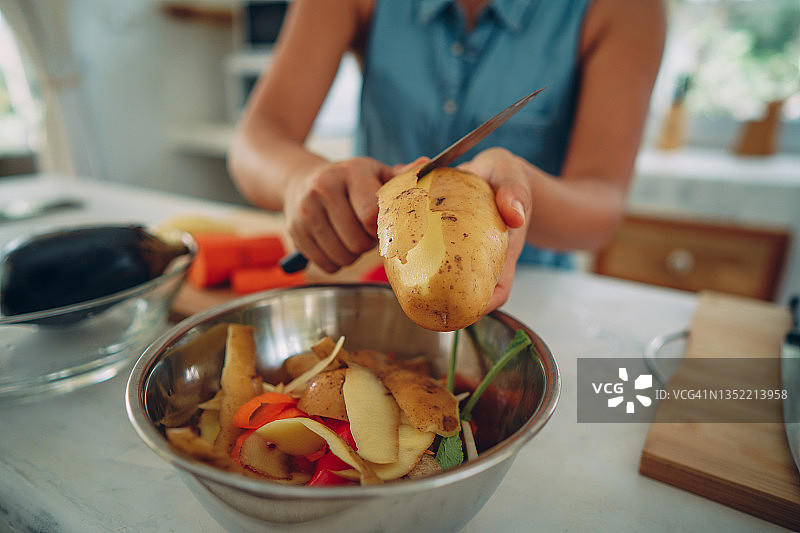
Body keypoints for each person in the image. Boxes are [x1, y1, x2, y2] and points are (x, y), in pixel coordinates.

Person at [228, 0, 666, 313]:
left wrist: (521, 192)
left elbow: (603, 207)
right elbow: (256, 139)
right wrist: (299, 179)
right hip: (382, 274)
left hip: (529, 298)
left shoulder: (628, 9)